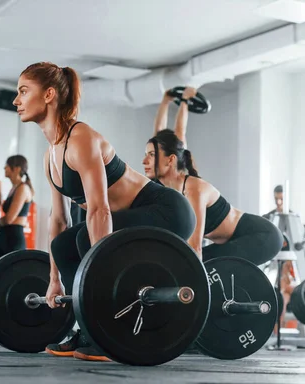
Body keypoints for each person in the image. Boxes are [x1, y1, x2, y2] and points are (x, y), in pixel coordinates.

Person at [11, 62, 196, 362]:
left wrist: (101, 278)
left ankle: (106, 329)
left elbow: (99, 210)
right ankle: (87, 329)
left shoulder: (80, 138)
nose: (16, 100)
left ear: (48, 95)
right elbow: (58, 220)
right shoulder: (50, 156)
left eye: (23, 91)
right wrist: (54, 280)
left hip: (166, 211)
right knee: (63, 245)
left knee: (87, 240)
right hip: (126, 217)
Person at [143, 129, 281, 263]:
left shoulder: (193, 190)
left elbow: (195, 248)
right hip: (236, 241)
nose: (144, 161)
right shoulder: (170, 193)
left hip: (262, 235)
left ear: (170, 160)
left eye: (151, 155)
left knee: (201, 262)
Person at [0, 155, 33, 266]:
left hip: (13, 236)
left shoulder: (22, 188)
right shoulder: (13, 188)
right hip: (5, 234)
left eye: (7, 166)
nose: (4, 168)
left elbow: (9, 218)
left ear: (17, 168)